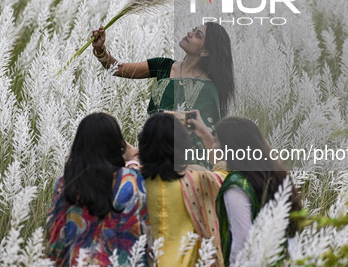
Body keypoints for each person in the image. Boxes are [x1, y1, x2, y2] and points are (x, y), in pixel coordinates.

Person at [91, 22, 235, 166]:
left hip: (179, 162)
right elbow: (118, 69)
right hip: (149, 151)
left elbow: (202, 133)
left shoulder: (207, 88)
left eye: (198, 35)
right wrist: (100, 49)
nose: (190, 33)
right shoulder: (164, 66)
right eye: (193, 29)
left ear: (205, 51)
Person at [188, 114, 302, 266]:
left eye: (216, 141)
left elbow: (242, 241)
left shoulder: (236, 186)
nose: (213, 146)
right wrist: (204, 134)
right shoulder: (275, 174)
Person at [45, 113, 149, 266]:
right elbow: (148, 229)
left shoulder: (66, 184)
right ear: (117, 145)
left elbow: (55, 238)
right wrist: (132, 159)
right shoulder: (132, 180)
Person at [138, 112, 225, 266]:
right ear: (183, 145)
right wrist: (204, 133)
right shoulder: (197, 179)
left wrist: (133, 156)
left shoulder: (134, 182)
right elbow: (225, 174)